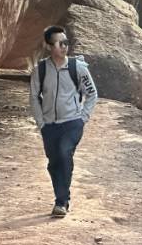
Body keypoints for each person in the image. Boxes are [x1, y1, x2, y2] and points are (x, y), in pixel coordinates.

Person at [29, 25, 98, 217]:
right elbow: (34, 97)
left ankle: (62, 201)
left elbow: (92, 94)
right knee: (54, 163)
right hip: (49, 125)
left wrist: (83, 118)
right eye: (59, 43)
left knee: (64, 152)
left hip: (72, 123)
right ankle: (61, 197)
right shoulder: (40, 70)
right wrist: (41, 123)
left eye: (65, 42)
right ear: (49, 46)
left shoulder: (78, 68)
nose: (64, 46)